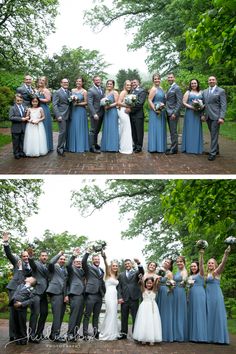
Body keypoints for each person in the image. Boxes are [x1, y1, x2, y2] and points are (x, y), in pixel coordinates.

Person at [2, 232, 32, 341]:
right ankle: (12, 335)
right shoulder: (17, 262)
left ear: (29, 256)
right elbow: (9, 254)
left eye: (27, 256)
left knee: (21, 311)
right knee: (13, 312)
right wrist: (6, 242)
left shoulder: (32, 265)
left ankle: (20, 335)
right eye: (24, 256)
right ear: (21, 257)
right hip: (14, 288)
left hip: (24, 291)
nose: (25, 258)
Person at [206, 246, 231, 344]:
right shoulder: (206, 274)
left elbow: (223, 263)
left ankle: (220, 338)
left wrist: (226, 254)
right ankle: (210, 337)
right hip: (208, 296)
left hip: (216, 296)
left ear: (215, 264)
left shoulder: (217, 272)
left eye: (212, 263)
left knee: (217, 315)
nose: (210, 264)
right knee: (209, 314)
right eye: (209, 263)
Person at [9, 265, 37, 346]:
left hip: (21, 308)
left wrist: (21, 304)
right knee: (15, 323)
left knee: (21, 324)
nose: (28, 277)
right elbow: (20, 276)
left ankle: (23, 338)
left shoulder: (32, 290)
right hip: (14, 306)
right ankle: (17, 338)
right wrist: (20, 267)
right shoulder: (20, 285)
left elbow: (31, 300)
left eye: (30, 277)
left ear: (31, 281)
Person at [117, 258, 144, 339]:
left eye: (128, 264)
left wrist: (139, 263)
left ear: (132, 264)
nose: (127, 265)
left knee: (135, 317)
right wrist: (119, 297)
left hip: (134, 298)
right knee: (124, 317)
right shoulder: (121, 275)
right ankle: (123, 333)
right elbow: (119, 287)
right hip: (124, 299)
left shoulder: (136, 273)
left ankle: (135, 334)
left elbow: (142, 272)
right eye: (125, 264)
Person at [202, 75, 227, 161]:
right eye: (210, 80)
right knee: (213, 134)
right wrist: (203, 114)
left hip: (216, 116)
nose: (211, 81)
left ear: (216, 81)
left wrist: (222, 117)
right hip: (208, 116)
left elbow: (223, 105)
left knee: (214, 134)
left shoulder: (221, 91)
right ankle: (216, 150)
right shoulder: (204, 91)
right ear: (208, 81)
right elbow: (203, 104)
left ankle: (212, 153)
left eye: (213, 80)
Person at [82, 249, 106, 340]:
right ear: (92, 260)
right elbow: (83, 262)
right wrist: (88, 252)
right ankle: (85, 333)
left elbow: (102, 282)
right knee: (87, 314)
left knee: (96, 315)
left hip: (99, 295)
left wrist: (104, 292)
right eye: (95, 259)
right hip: (90, 294)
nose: (97, 260)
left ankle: (96, 332)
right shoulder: (88, 268)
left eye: (98, 259)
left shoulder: (101, 270)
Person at [28, 247, 49, 343]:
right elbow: (32, 264)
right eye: (42, 256)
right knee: (35, 314)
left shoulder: (47, 266)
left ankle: (39, 334)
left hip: (44, 294)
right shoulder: (36, 264)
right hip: (36, 292)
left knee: (44, 313)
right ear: (40, 257)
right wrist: (30, 257)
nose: (44, 257)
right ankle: (31, 336)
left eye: (45, 256)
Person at [133, 277, 162, 345]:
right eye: (147, 283)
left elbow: (155, 284)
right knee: (144, 321)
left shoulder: (154, 290)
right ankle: (143, 338)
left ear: (152, 284)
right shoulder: (143, 289)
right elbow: (142, 282)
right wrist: (141, 279)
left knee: (152, 321)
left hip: (152, 307)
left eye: (150, 283)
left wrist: (156, 279)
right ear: (145, 283)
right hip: (144, 307)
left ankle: (151, 338)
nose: (149, 284)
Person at [46, 251, 68, 342]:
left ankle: (53, 334)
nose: (62, 260)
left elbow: (66, 283)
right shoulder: (53, 267)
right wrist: (59, 254)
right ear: (58, 259)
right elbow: (51, 262)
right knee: (57, 315)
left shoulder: (65, 270)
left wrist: (66, 295)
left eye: (64, 259)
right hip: (55, 293)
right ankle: (55, 335)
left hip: (63, 294)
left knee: (61, 315)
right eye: (61, 259)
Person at [188, 250, 207, 342]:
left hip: (199, 294)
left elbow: (202, 266)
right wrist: (187, 297)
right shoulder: (190, 276)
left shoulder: (201, 274)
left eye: (194, 266)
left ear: (198, 267)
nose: (193, 267)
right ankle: (193, 336)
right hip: (191, 294)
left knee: (199, 313)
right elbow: (189, 287)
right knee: (192, 313)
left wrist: (201, 255)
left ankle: (200, 336)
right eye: (191, 266)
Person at [99, 251, 119, 340]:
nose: (115, 267)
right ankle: (107, 333)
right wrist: (104, 258)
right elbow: (106, 266)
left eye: (116, 266)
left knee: (113, 313)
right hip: (109, 296)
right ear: (111, 266)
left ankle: (113, 332)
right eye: (113, 266)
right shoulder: (108, 274)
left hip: (114, 296)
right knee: (110, 312)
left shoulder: (116, 276)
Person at [66, 248, 85, 341]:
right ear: (73, 263)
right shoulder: (71, 269)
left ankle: (75, 333)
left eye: (79, 262)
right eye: (76, 261)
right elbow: (68, 264)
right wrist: (74, 255)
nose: (78, 263)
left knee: (79, 315)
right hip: (75, 294)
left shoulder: (82, 271)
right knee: (74, 315)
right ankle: (70, 334)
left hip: (82, 295)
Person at [181, 79, 204, 154]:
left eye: (195, 83)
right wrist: (192, 107)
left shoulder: (201, 92)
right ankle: (189, 148)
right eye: (192, 83)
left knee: (197, 130)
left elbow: (204, 102)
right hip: (190, 113)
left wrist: (201, 107)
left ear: (197, 84)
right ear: (190, 85)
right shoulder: (188, 92)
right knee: (189, 129)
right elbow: (184, 102)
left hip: (198, 114)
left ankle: (196, 148)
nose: (193, 84)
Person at [67, 77, 89, 153]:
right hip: (73, 111)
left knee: (80, 127)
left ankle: (80, 145)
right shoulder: (72, 90)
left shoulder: (84, 91)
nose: (78, 82)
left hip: (81, 111)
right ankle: (72, 146)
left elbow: (86, 102)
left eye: (80, 81)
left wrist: (78, 103)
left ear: (82, 83)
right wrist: (72, 100)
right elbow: (69, 99)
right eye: (77, 81)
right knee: (73, 126)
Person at [148, 73, 167, 153]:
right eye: (155, 79)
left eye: (158, 78)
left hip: (161, 111)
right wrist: (155, 109)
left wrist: (163, 105)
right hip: (155, 111)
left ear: (160, 79)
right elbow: (149, 100)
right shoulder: (153, 89)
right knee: (155, 128)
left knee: (160, 128)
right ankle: (153, 147)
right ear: (153, 80)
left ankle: (160, 147)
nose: (157, 80)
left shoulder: (161, 88)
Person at [157, 258, 174, 342]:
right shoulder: (159, 271)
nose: (166, 263)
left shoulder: (169, 273)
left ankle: (165, 335)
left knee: (165, 312)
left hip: (165, 292)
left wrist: (169, 289)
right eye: (165, 261)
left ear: (170, 265)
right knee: (159, 312)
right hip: (159, 292)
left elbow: (172, 284)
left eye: (168, 262)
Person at [52, 78, 71, 156]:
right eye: (64, 82)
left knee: (67, 132)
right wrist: (58, 115)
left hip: (69, 114)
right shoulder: (57, 92)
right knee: (62, 132)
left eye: (67, 82)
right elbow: (54, 105)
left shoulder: (69, 92)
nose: (66, 83)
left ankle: (65, 146)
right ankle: (59, 148)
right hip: (61, 115)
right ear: (61, 83)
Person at [165, 73, 183, 154]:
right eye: (168, 78)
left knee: (173, 131)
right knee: (172, 131)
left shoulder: (177, 88)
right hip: (168, 112)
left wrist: (174, 113)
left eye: (171, 77)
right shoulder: (169, 87)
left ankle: (174, 149)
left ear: (174, 78)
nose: (170, 79)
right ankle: (173, 146)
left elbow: (179, 102)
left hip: (173, 113)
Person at [87, 75, 105, 153]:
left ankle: (95, 143)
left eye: (99, 80)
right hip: (95, 114)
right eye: (96, 80)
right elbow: (89, 103)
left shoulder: (102, 89)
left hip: (101, 112)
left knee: (97, 130)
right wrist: (94, 114)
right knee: (93, 130)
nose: (98, 81)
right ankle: (92, 147)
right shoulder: (91, 90)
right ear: (93, 81)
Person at [101, 80, 119, 152]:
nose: (109, 85)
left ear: (113, 85)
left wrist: (109, 106)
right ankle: (106, 146)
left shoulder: (115, 92)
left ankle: (113, 147)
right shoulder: (106, 93)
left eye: (110, 84)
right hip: (107, 112)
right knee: (106, 128)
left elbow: (117, 102)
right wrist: (104, 105)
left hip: (113, 112)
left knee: (112, 128)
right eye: (108, 84)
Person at [36, 76, 53, 151]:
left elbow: (48, 100)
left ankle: (46, 146)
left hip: (44, 109)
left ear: (45, 82)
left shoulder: (46, 90)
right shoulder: (36, 90)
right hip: (36, 110)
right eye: (40, 80)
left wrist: (38, 99)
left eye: (43, 80)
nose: (41, 81)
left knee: (44, 127)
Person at [129, 79, 147, 153]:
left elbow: (140, 103)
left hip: (138, 115)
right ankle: (135, 144)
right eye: (132, 82)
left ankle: (139, 146)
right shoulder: (131, 91)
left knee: (139, 131)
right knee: (133, 131)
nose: (133, 84)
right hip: (131, 115)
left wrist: (131, 109)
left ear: (138, 83)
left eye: (134, 82)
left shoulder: (142, 91)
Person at [173, 256, 188, 342]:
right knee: (176, 312)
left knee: (180, 312)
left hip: (180, 292)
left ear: (184, 262)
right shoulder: (178, 271)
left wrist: (183, 281)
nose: (179, 263)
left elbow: (185, 279)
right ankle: (176, 333)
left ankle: (180, 335)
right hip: (175, 291)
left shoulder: (184, 271)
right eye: (177, 262)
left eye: (181, 261)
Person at [9, 94, 28, 159]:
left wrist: (28, 117)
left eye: (20, 100)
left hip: (23, 127)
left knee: (22, 141)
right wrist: (21, 119)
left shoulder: (25, 107)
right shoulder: (12, 108)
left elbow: (27, 114)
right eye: (17, 100)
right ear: (15, 100)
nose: (19, 101)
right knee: (16, 142)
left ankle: (21, 152)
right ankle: (16, 153)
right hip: (16, 128)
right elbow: (11, 117)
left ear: (22, 100)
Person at [117, 80, 133, 154]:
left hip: (125, 111)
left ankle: (126, 146)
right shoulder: (123, 92)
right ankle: (124, 148)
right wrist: (127, 106)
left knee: (126, 129)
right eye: (127, 85)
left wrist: (129, 106)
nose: (129, 86)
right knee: (125, 129)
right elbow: (118, 103)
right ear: (124, 85)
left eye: (130, 85)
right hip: (122, 112)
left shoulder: (128, 93)